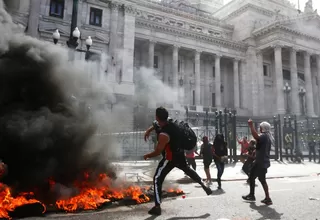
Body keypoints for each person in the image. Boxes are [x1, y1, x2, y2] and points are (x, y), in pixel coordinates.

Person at [143, 107, 212, 215]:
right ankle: (203, 184)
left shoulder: (164, 135)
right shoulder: (170, 122)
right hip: (179, 154)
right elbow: (156, 125)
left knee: (157, 178)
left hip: (169, 158)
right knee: (187, 169)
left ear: (157, 117)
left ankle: (157, 206)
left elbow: (157, 151)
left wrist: (147, 155)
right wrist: (148, 130)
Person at [242, 119, 273, 205]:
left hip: (260, 162)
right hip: (264, 162)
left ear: (263, 128)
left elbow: (256, 137)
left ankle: (252, 195)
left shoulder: (264, 136)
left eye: (260, 127)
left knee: (251, 177)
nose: (259, 129)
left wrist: (251, 126)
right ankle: (268, 198)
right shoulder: (268, 137)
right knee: (262, 180)